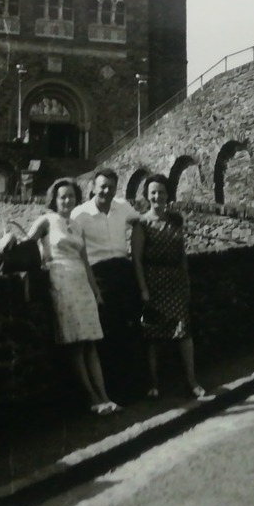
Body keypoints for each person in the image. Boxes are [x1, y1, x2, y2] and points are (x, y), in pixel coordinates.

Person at [14, 178, 117, 415]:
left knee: (91, 343)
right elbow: (26, 243)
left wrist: (96, 291)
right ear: (55, 199)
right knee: (76, 344)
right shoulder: (47, 220)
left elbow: (85, 262)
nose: (68, 200)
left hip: (81, 282)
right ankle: (92, 399)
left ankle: (105, 396)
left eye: (71, 196)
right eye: (63, 197)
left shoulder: (77, 226)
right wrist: (10, 242)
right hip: (60, 280)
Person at [69, 169, 150, 400]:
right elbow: (73, 246)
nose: (107, 191)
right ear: (93, 187)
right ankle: (114, 391)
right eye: (102, 186)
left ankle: (134, 388)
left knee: (131, 327)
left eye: (111, 187)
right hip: (99, 274)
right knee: (107, 332)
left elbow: (140, 221)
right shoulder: (79, 214)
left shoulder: (122, 206)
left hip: (124, 271)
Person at [133, 174, 207, 399]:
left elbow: (182, 253)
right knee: (154, 336)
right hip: (154, 281)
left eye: (162, 192)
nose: (158, 196)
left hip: (175, 281)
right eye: (153, 192)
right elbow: (136, 259)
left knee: (184, 332)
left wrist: (186, 281)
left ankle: (192, 381)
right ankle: (154, 384)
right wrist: (144, 288)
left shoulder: (176, 220)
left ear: (168, 195)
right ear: (147, 195)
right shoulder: (142, 223)